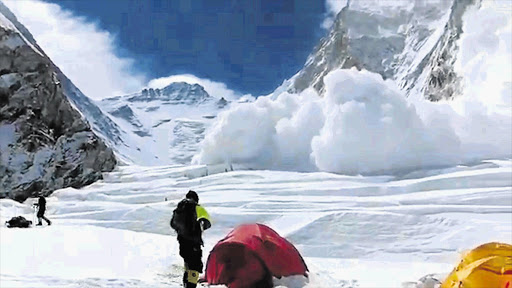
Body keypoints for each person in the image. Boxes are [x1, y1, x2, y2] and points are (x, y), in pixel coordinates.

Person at [171, 190, 211, 288]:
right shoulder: (197, 207)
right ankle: (191, 286)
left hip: (182, 241)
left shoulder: (179, 209)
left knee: (188, 263)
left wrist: (182, 231)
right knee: (195, 265)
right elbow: (207, 223)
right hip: (193, 242)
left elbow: (172, 224)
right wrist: (198, 229)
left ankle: (186, 284)